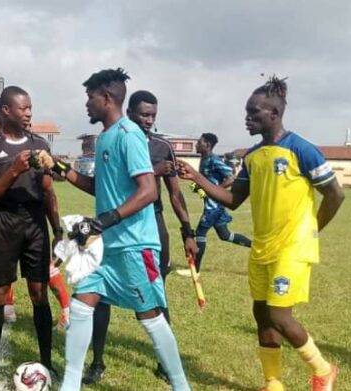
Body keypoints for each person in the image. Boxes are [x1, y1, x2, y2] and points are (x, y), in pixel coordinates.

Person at [177, 76, 344, 391]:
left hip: (292, 248)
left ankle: (323, 370)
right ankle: (272, 383)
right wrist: (197, 176)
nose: (247, 118)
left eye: (254, 112)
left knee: (280, 316)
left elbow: (335, 194)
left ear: (274, 114)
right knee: (261, 314)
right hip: (262, 247)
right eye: (246, 112)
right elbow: (232, 199)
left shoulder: (301, 149)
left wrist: (312, 230)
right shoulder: (252, 157)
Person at [52, 68, 190, 391]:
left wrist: (104, 220)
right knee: (81, 303)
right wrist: (61, 169)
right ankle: (69, 385)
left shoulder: (129, 135)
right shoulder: (104, 139)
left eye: (90, 98)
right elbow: (101, 188)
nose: (86, 104)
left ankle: (182, 386)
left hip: (134, 246)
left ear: (106, 98)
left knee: (150, 316)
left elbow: (148, 191)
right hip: (106, 246)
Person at [80, 90, 198, 385]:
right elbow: (106, 184)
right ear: (129, 111)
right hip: (114, 226)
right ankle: (97, 361)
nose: (148, 120)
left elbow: (173, 194)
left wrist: (188, 231)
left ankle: (166, 365)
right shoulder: (117, 137)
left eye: (153, 116)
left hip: (149, 226)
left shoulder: (161, 146)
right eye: (144, 114)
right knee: (98, 296)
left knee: (155, 298)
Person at [0, 86, 60, 381]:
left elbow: (48, 191)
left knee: (39, 292)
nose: (29, 113)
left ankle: (47, 361)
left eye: (30, 108)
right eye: (23, 108)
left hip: (35, 223)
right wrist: (12, 170)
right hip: (4, 221)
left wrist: (57, 229)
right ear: (6, 111)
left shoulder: (40, 145)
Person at [178, 132, 251, 273]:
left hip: (214, 206)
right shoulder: (204, 159)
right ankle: (256, 246)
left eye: (200, 142)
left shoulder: (214, 159)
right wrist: (196, 186)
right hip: (214, 204)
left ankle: (195, 270)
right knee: (225, 235)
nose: (197, 144)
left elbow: (231, 177)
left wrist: (215, 190)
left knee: (199, 233)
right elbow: (204, 182)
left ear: (208, 145)